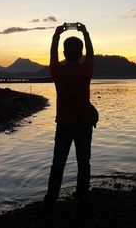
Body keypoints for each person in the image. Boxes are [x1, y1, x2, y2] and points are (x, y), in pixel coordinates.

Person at [44, 22, 94, 207]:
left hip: (64, 125)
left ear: (64, 53)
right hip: (83, 125)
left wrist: (56, 35)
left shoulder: (58, 70)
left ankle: (50, 200)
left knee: (58, 164)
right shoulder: (86, 69)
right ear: (80, 53)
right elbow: (91, 54)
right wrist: (85, 32)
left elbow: (52, 55)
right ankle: (83, 197)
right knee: (83, 163)